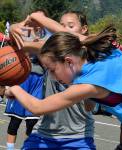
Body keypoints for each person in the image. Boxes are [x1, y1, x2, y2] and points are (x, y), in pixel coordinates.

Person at [5, 25, 122, 149]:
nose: (52, 75)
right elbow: (63, 32)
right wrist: (34, 19)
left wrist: (13, 88)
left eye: (52, 69)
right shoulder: (105, 51)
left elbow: (38, 107)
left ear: (68, 61)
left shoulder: (89, 85)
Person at [8, 11, 96, 150]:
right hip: (44, 132)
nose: (64, 29)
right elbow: (18, 39)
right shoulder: (50, 49)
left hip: (78, 136)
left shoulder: (91, 60)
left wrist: (90, 95)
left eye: (70, 26)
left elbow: (89, 107)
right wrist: (13, 27)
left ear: (84, 29)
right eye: (60, 25)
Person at [4, 55, 44, 150]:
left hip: (38, 79)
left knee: (31, 122)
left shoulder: (47, 40)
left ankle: (27, 147)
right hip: (21, 75)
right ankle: (10, 149)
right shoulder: (19, 40)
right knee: (15, 121)